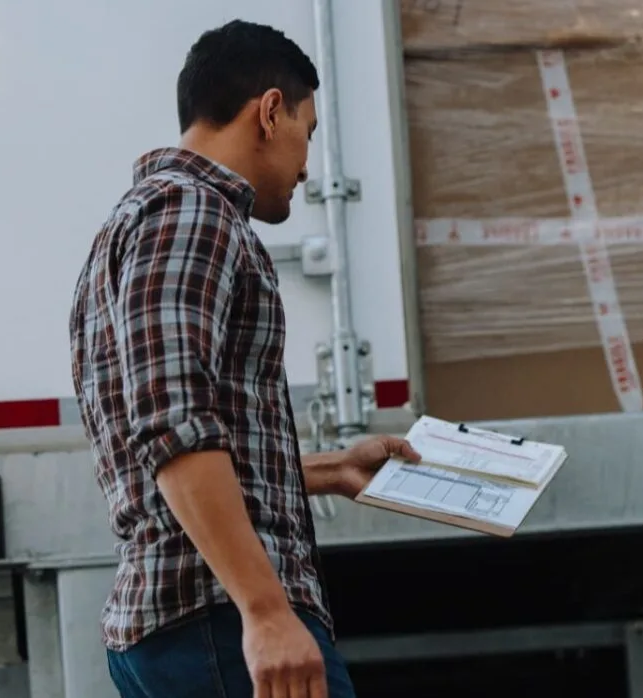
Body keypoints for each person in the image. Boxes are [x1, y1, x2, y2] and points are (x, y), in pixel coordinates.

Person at [68, 20, 421, 698]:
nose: (307, 164)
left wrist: (326, 468)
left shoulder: (143, 220)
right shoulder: (188, 214)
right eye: (306, 132)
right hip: (217, 620)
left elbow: (174, 435)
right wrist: (265, 613)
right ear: (267, 112)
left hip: (192, 623)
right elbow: (171, 425)